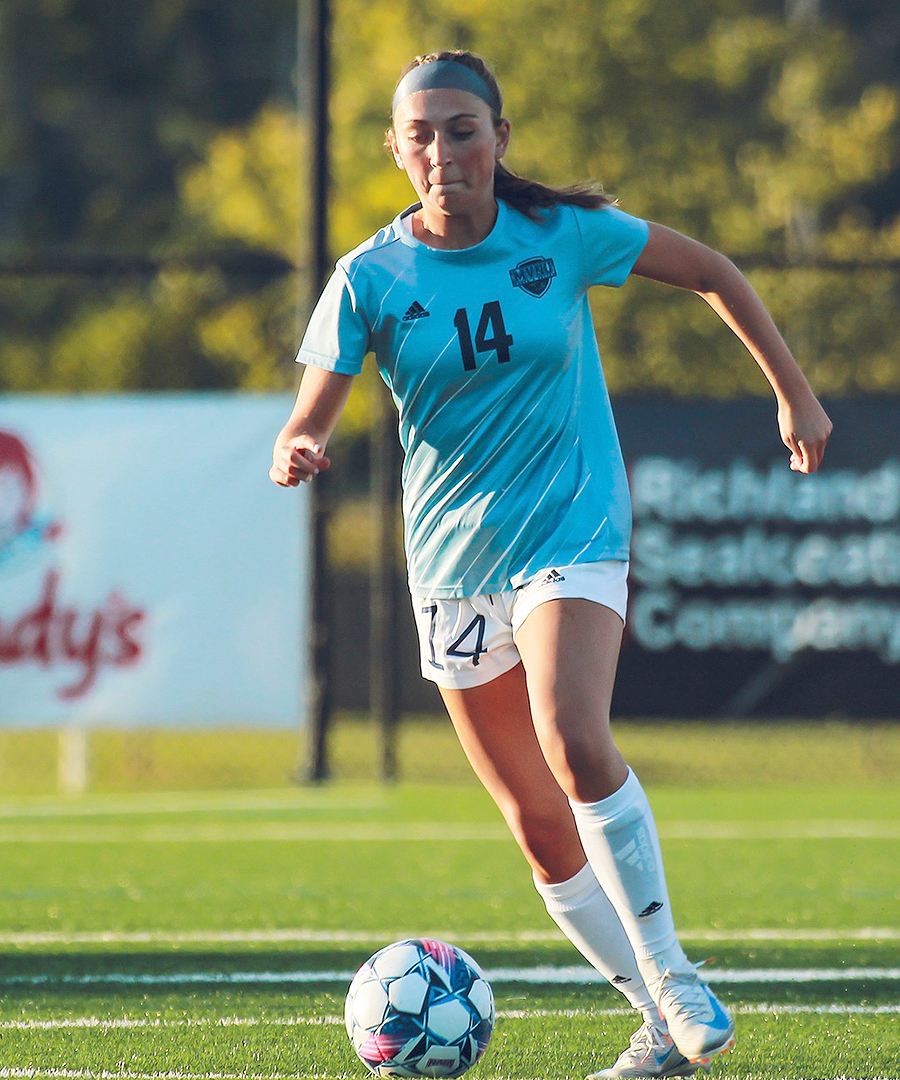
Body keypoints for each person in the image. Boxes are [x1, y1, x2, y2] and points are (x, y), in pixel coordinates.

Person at [272, 49, 832, 1078]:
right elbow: (309, 411)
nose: (444, 151)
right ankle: (657, 1023)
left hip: (570, 529)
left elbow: (711, 271)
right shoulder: (369, 278)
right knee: (537, 824)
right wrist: (300, 445)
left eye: (462, 130)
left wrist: (791, 391)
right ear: (396, 152)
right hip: (451, 564)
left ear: (500, 140)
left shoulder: (560, 238)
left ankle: (673, 976)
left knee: (574, 737)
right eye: (422, 135)